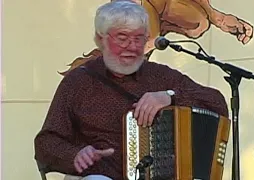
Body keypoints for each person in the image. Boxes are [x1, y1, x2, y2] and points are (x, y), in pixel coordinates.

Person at [34, 1, 229, 180]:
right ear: (100, 39)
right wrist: (76, 154)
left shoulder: (160, 76)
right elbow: (46, 142)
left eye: (139, 38)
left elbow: (216, 102)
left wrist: (170, 97)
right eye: (122, 38)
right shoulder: (78, 82)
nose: (132, 47)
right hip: (102, 175)